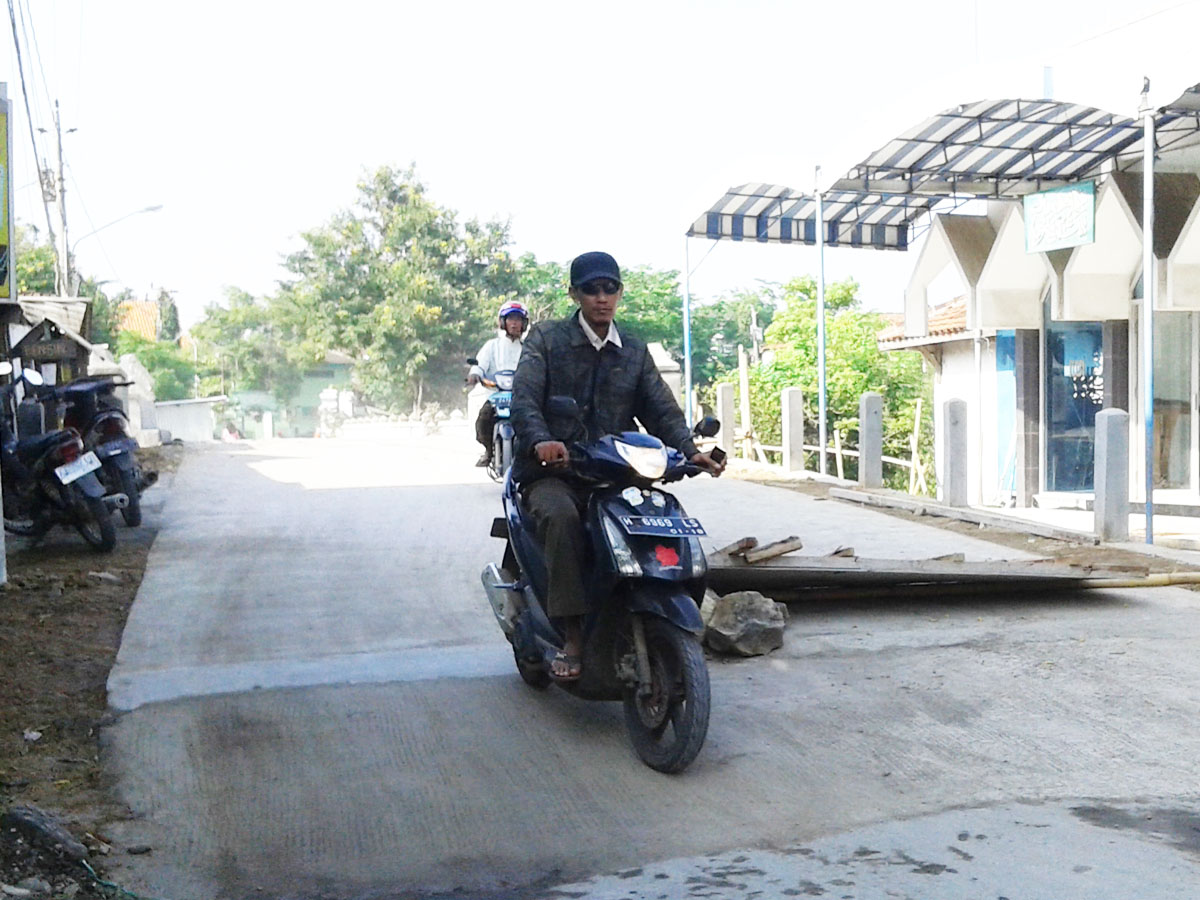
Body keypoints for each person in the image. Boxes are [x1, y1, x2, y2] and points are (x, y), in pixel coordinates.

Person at [510, 251, 725, 681]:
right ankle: (572, 633)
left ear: (620, 293)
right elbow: (524, 401)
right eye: (591, 289)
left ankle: (649, 605)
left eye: (610, 288)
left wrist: (689, 448)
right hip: (556, 473)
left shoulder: (634, 352)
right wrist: (541, 441)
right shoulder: (547, 341)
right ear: (575, 293)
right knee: (561, 517)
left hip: (615, 471)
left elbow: (661, 409)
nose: (602, 298)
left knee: (661, 515)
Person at [467, 301, 529, 466]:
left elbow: (538, 366)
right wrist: (474, 374)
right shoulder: (492, 346)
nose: (514, 323)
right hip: (497, 395)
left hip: (522, 396)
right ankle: (489, 450)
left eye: (518, 319)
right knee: (483, 420)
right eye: (511, 319)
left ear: (524, 324)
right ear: (503, 322)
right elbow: (479, 364)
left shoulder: (529, 347)